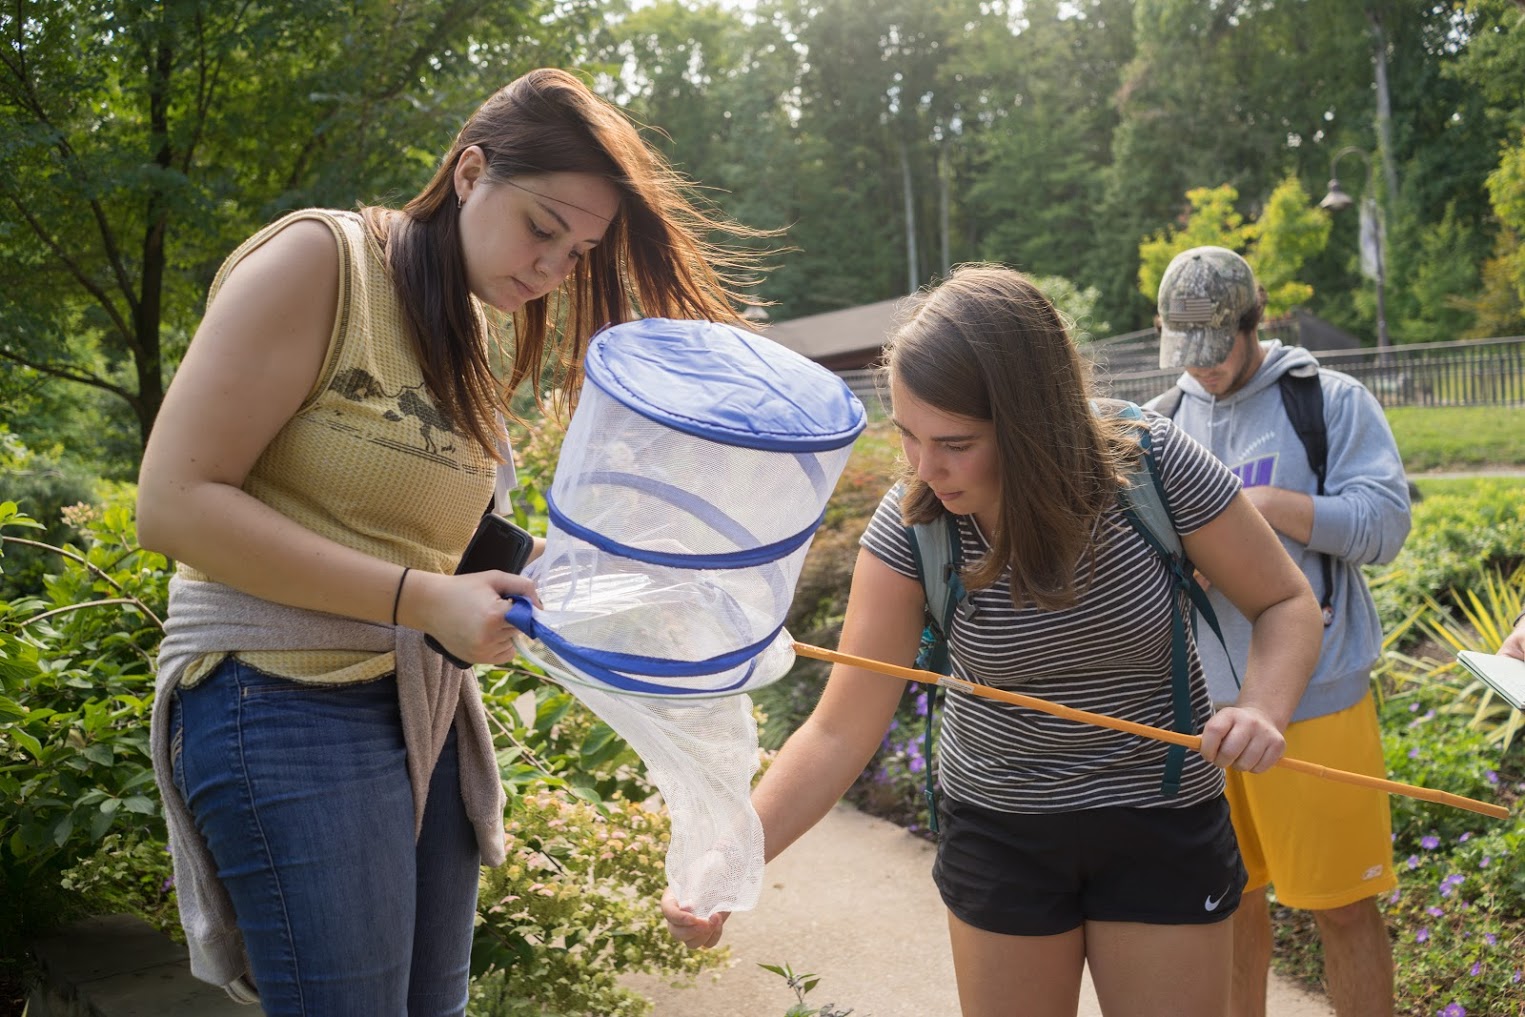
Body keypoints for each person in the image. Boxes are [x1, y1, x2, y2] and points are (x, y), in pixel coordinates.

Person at [137, 68, 761, 1016]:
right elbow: (175, 504)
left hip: (414, 704)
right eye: (543, 227)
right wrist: (420, 600)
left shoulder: (470, 321)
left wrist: (568, 583)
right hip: (274, 693)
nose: (555, 265)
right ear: (469, 171)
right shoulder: (321, 261)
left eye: (580, 249)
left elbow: (426, 531)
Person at [663, 264, 1325, 1017]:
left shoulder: (1149, 465)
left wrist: (1264, 708)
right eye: (907, 435)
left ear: (1034, 421)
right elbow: (839, 729)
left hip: (1161, 817)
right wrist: (727, 860)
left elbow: (1283, 601)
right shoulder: (912, 524)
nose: (922, 467)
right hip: (1001, 831)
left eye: (954, 442)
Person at [1146, 246, 1412, 1017]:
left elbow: (1385, 525)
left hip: (1315, 702)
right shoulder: (1163, 423)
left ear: (1251, 323)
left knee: (1341, 908)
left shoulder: (1325, 401)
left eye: (1215, 351)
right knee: (1228, 908)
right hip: (1205, 711)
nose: (1201, 371)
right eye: (1184, 354)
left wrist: (1264, 509)